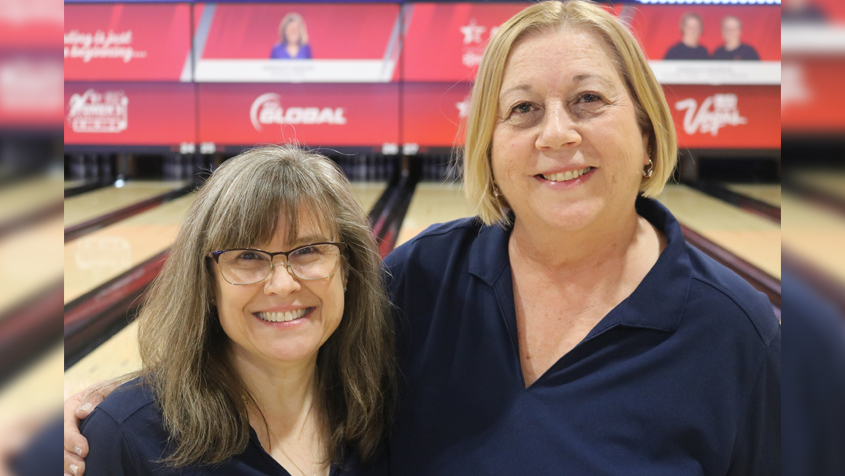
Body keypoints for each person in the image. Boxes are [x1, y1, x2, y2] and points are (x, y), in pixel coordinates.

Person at [66, 1, 780, 475]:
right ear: (490, 149)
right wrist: (117, 408)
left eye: (589, 100)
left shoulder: (742, 338)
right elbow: (281, 331)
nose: (557, 133)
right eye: (522, 110)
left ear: (649, 130)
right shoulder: (421, 278)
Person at [64, 146, 395, 476]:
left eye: (308, 251)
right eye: (247, 257)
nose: (282, 284)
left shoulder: (392, 413)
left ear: (347, 269)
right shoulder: (128, 440)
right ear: (207, 281)